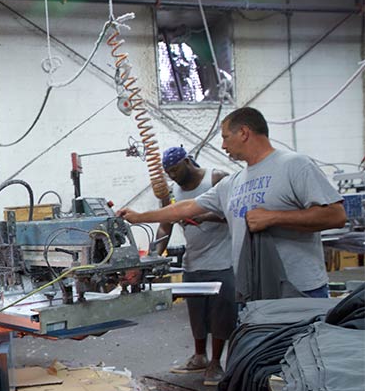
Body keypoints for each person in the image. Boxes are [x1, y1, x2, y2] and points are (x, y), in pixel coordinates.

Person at [118, 107, 346, 303]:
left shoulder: (294, 165)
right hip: (253, 291)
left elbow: (335, 215)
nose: (223, 145)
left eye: (226, 137)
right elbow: (186, 207)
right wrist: (139, 217)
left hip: (301, 289)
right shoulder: (233, 182)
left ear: (244, 133)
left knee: (305, 352)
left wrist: (274, 217)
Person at [155, 146, 236, 386]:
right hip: (194, 260)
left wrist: (204, 215)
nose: (173, 176)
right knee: (197, 314)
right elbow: (164, 226)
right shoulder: (171, 193)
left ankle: (216, 363)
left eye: (175, 169)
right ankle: (200, 356)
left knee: (221, 313)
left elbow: (235, 214)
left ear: (188, 161)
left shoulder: (216, 178)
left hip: (222, 260)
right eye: (168, 172)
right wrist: (154, 255)